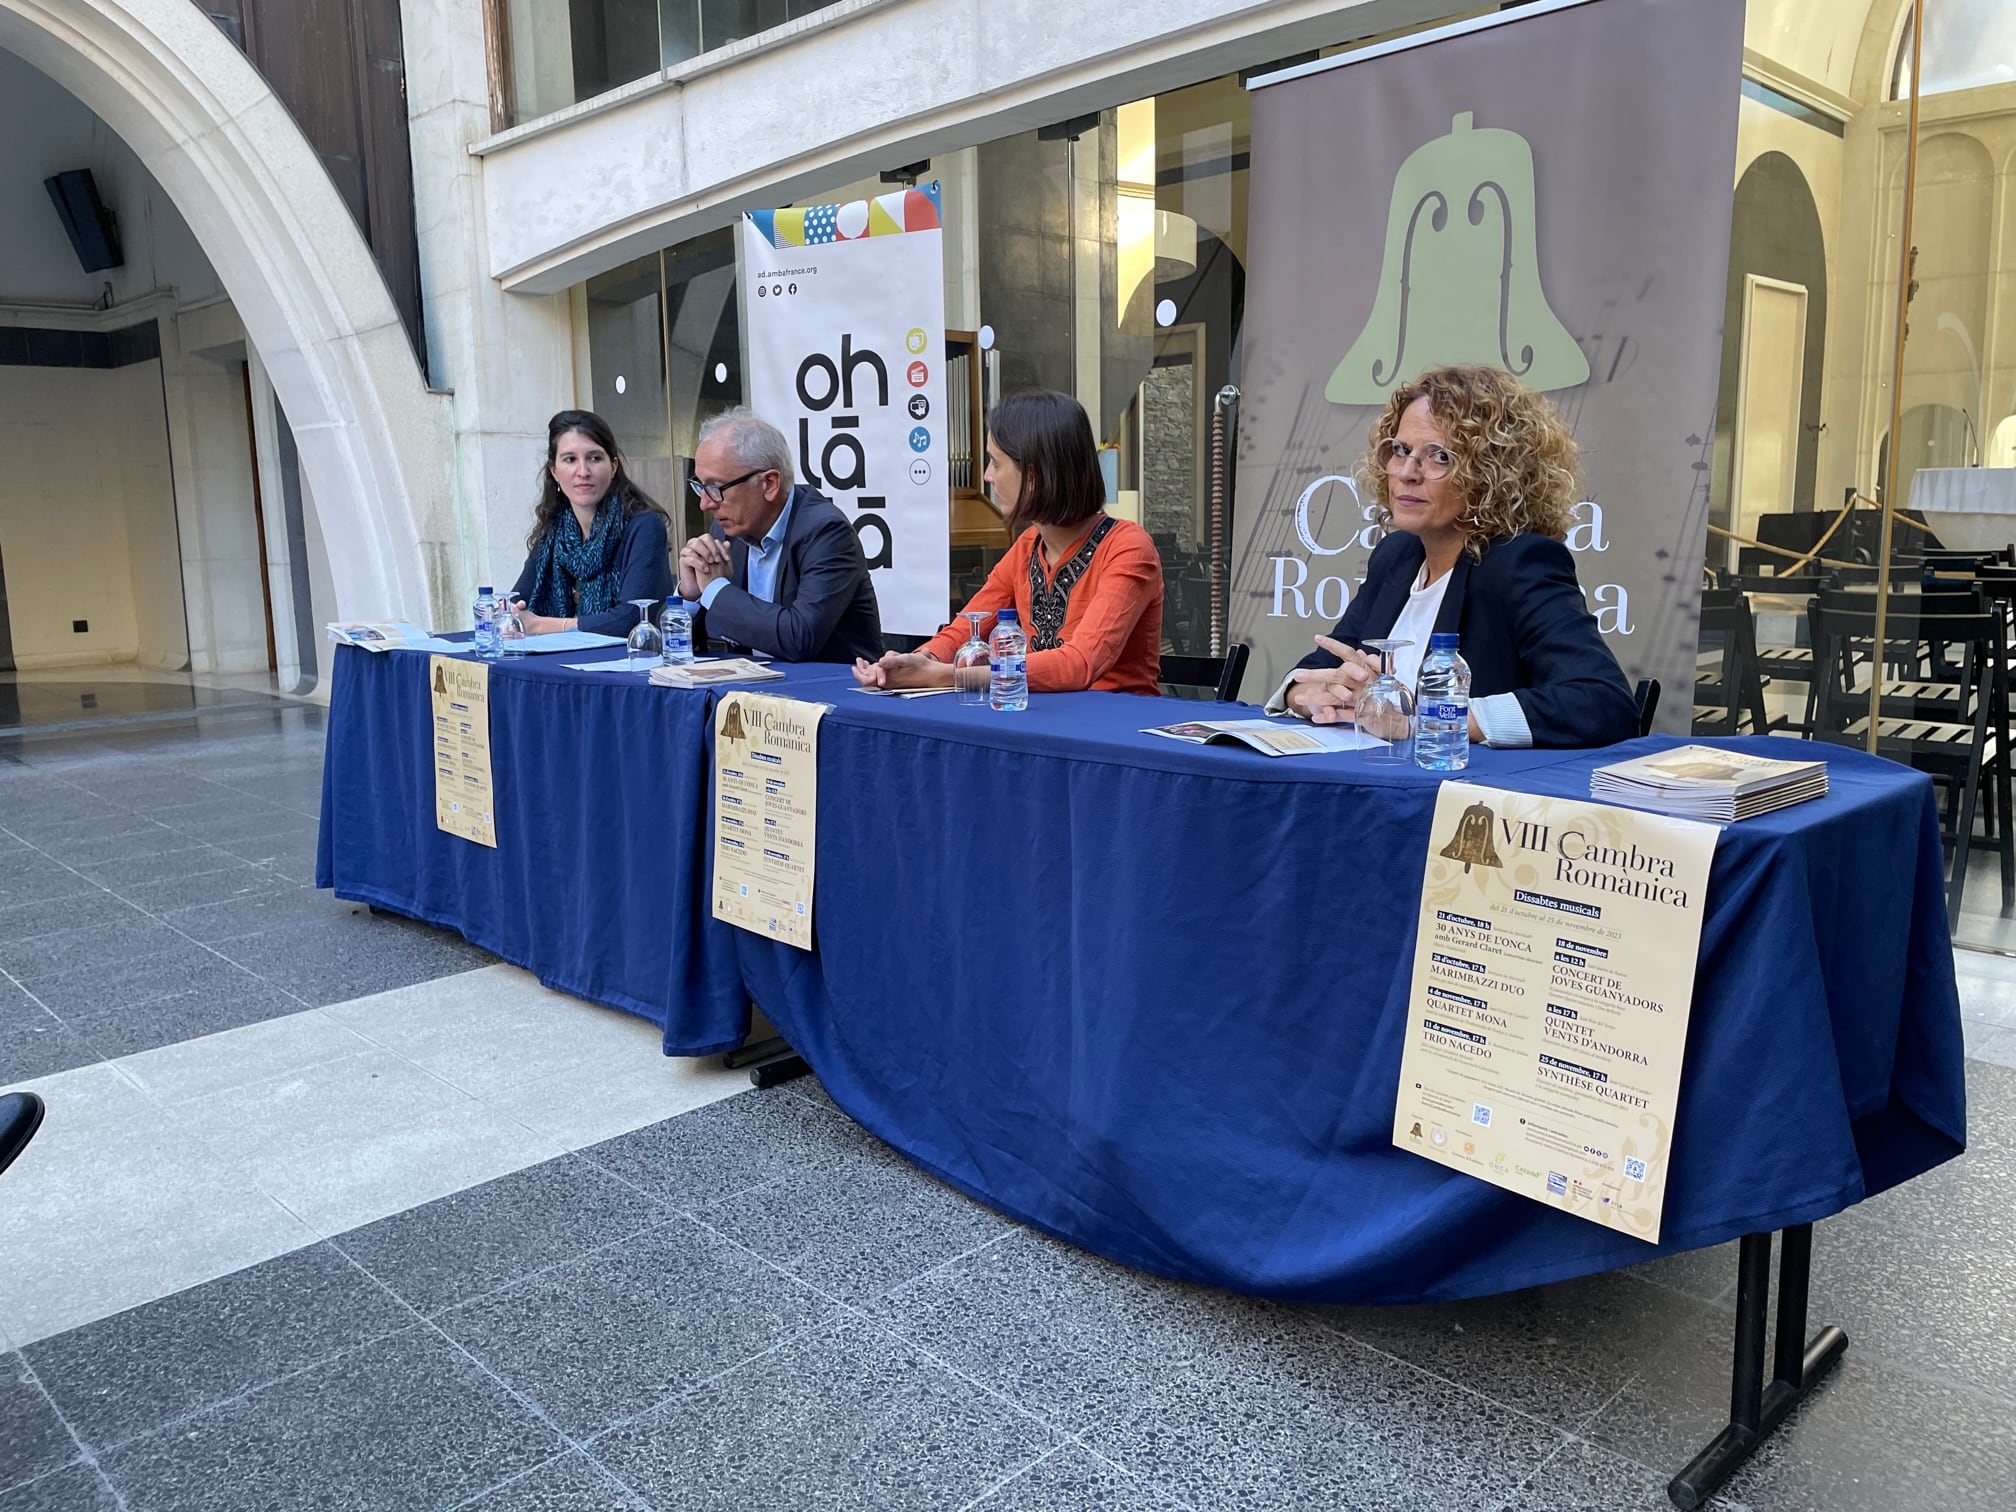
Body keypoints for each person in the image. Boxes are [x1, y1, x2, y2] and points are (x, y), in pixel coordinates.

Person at [1268, 364, 1637, 749]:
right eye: (1401, 451)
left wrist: (1426, 717)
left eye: (1440, 457)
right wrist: (1306, 695)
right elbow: (1328, 662)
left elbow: (1602, 703)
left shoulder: (1519, 562)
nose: (1409, 472)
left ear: (1492, 475)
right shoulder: (1396, 556)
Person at [854, 390, 1163, 695]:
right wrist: (920, 660)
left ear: (1033, 474)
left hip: (1118, 730)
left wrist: (950, 675)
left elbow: (1080, 663)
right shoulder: (1028, 545)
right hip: (1039, 720)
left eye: (996, 463)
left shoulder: (1128, 548)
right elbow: (966, 628)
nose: (988, 475)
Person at [678, 409, 882, 663]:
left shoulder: (826, 532)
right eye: (700, 487)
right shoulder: (726, 529)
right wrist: (691, 595)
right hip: (751, 695)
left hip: (829, 695)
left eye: (716, 488)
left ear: (769, 484)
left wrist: (716, 589)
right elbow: (679, 650)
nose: (705, 504)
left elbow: (799, 638)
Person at [509, 410, 675, 637]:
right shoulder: (554, 533)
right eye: (570, 459)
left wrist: (541, 625)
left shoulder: (644, 526)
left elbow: (631, 619)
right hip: (564, 665)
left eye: (594, 458)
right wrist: (510, 616)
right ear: (554, 471)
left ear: (613, 466)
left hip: (629, 665)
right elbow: (516, 602)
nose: (583, 472)